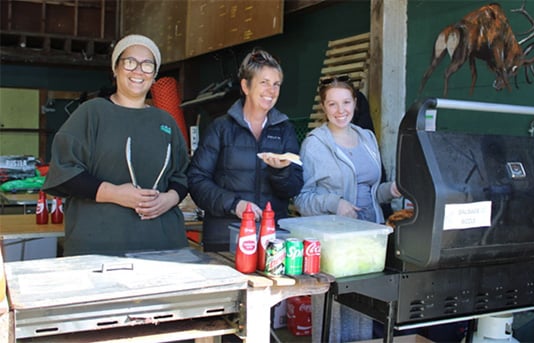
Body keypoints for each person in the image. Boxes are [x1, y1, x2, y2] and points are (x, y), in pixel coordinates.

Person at [42, 34, 191, 256]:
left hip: (163, 245)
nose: (138, 71)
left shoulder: (165, 121)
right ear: (115, 68)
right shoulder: (92, 113)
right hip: (99, 245)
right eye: (130, 62)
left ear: (154, 75)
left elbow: (183, 175)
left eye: (148, 65)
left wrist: (168, 199)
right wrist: (115, 193)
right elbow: (65, 173)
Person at [294, 75, 401, 342]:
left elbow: (371, 190)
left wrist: (392, 190)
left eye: (345, 102)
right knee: (335, 316)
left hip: (370, 239)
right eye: (332, 104)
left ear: (355, 102)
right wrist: (335, 203)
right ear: (323, 107)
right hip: (335, 244)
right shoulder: (315, 144)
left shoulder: (366, 138)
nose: (340, 111)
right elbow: (301, 198)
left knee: (364, 312)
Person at [186, 48, 303, 252]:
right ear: (246, 86)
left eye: (276, 84)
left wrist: (281, 171)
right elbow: (196, 180)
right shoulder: (221, 128)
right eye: (264, 82)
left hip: (271, 242)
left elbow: (294, 188)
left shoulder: (285, 130)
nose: (271, 91)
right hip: (225, 238)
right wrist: (235, 204)